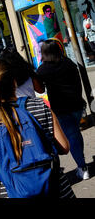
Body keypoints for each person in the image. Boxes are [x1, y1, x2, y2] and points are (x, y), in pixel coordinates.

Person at [0, 58, 75, 198]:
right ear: (14, 82)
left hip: (13, 191)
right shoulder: (39, 106)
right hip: (55, 188)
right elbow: (64, 147)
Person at [37, 39, 90, 180]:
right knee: (75, 135)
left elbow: (40, 88)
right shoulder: (69, 63)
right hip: (77, 105)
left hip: (61, 109)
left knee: (72, 137)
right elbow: (78, 84)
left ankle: (82, 167)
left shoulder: (43, 70)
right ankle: (82, 161)